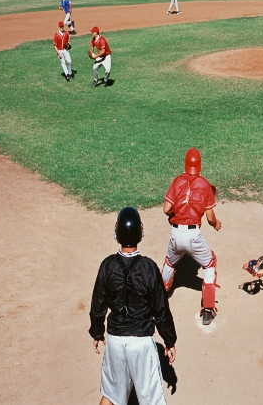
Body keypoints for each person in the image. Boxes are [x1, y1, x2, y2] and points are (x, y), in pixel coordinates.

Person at [90, 207, 177, 405]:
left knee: (111, 396)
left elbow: (98, 304)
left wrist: (97, 332)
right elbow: (161, 309)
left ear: (117, 233)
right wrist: (169, 340)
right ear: (140, 232)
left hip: (114, 342)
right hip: (141, 344)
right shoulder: (148, 267)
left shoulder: (107, 265)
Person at [160, 148, 222, 325]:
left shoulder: (177, 180)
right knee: (210, 264)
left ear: (185, 164)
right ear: (200, 166)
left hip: (175, 234)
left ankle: (157, 296)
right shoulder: (204, 184)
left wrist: (174, 213)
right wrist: (216, 224)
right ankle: (208, 310)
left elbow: (166, 209)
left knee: (170, 263)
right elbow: (210, 218)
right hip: (194, 235)